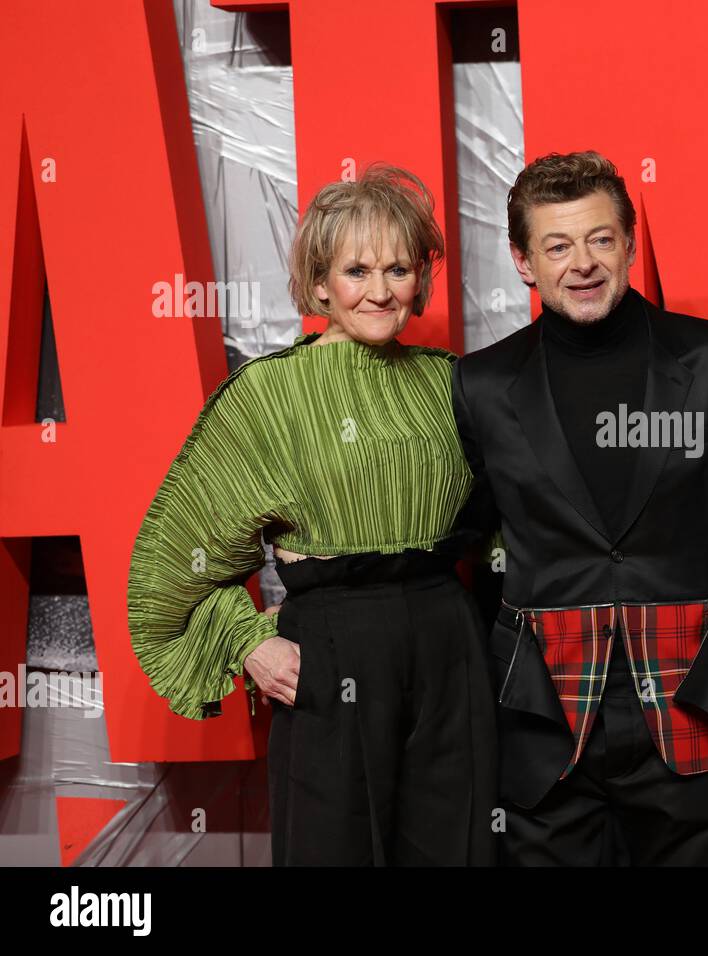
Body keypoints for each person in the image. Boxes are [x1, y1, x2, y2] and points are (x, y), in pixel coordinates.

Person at [126, 163, 497, 866]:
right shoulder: (269, 395)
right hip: (331, 652)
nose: (381, 290)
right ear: (320, 283)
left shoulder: (454, 382)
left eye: (399, 268)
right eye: (357, 270)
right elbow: (171, 570)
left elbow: (513, 519)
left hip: (450, 644)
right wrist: (246, 641)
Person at [452, 150, 708, 865]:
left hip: (694, 700)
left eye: (600, 239)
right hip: (543, 718)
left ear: (629, 242)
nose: (583, 263)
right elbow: (460, 538)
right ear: (524, 261)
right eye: (558, 245)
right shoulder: (481, 383)